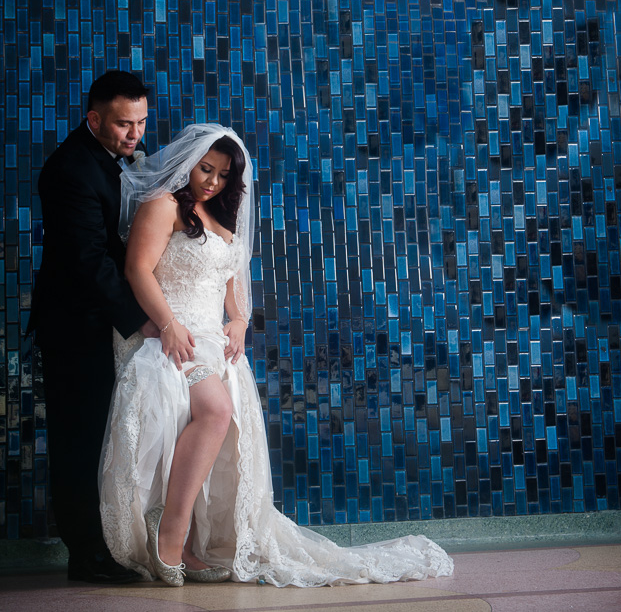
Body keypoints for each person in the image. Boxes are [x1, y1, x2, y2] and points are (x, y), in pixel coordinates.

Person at [100, 124, 454, 586]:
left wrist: (241, 323)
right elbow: (137, 269)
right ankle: (170, 530)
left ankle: (186, 542)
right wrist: (167, 326)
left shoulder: (222, 220)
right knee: (217, 411)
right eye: (206, 169)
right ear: (187, 163)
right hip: (168, 335)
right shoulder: (162, 205)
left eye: (224, 175)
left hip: (215, 341)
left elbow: (233, 288)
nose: (212, 181)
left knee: (222, 429)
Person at [27, 70, 157, 583]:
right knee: (80, 442)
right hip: (77, 328)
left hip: (108, 323)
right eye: (125, 124)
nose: (135, 135)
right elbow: (90, 261)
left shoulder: (121, 158)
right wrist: (144, 319)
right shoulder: (69, 170)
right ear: (94, 119)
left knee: (111, 439)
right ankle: (86, 555)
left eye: (142, 122)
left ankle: (116, 542)